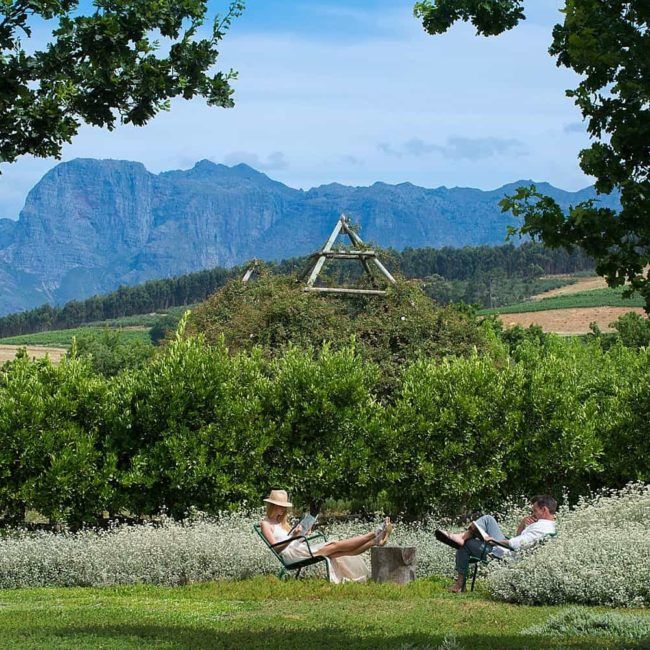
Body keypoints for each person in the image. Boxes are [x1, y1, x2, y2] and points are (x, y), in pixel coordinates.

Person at [260, 489, 393, 584]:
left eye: (284, 507)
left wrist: (302, 534)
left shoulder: (281, 522)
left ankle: (375, 541)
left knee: (339, 551)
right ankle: (375, 533)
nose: (283, 510)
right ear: (273, 506)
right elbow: (276, 548)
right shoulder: (265, 524)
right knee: (334, 545)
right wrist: (293, 537)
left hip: (299, 547)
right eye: (280, 507)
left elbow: (293, 539)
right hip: (292, 555)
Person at [435, 494, 557, 593]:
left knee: (466, 544)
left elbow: (515, 544)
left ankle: (459, 585)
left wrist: (493, 540)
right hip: (511, 552)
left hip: (507, 556)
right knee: (488, 520)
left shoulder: (540, 527)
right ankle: (462, 537)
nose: (532, 514)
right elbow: (521, 540)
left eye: (534, 511)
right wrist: (522, 524)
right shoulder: (549, 527)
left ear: (544, 510)